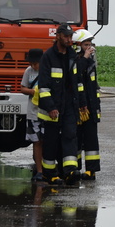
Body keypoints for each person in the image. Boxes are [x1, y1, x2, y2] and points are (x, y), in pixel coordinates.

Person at [37, 24, 81, 186]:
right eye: (66, 37)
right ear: (58, 36)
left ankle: (69, 172)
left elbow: (76, 82)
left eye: (71, 37)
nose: (69, 40)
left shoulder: (72, 55)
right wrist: (51, 107)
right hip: (53, 107)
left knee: (70, 136)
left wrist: (80, 104)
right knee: (51, 141)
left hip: (69, 105)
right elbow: (43, 86)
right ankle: (49, 174)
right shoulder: (48, 56)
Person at [72, 29, 101, 180]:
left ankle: (91, 170)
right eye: (86, 45)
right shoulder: (73, 61)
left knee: (91, 139)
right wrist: (85, 57)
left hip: (90, 107)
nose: (90, 48)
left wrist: (96, 106)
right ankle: (75, 169)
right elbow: (76, 74)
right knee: (76, 138)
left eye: (90, 44)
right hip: (77, 107)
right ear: (77, 45)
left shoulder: (90, 62)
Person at [19, 48, 46, 182]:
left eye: (36, 63)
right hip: (33, 113)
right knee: (36, 142)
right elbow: (22, 88)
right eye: (31, 63)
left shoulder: (48, 71)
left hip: (46, 113)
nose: (33, 66)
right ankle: (39, 171)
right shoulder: (28, 72)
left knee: (48, 141)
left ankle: (49, 169)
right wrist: (32, 92)